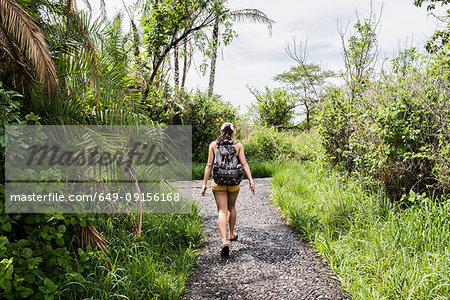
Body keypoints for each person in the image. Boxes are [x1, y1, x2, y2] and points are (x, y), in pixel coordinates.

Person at [201, 122, 255, 259]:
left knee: (222, 210)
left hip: (218, 182)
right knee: (232, 206)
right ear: (232, 133)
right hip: (233, 182)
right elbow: (244, 164)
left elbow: (209, 165)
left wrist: (204, 184)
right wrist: (251, 181)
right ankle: (231, 234)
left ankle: (224, 241)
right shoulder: (238, 145)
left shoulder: (214, 145)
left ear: (221, 132)